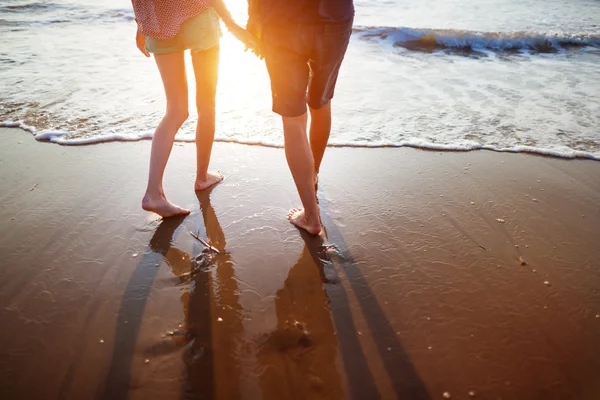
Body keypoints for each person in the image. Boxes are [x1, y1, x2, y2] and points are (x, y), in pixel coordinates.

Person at [133, 0, 257, 217]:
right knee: (206, 104)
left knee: (175, 110)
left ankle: (153, 193)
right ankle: (201, 177)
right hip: (197, 17)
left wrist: (140, 24)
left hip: (157, 24)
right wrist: (231, 23)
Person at [247, 0, 354, 235]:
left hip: (280, 19)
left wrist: (253, 17)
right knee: (321, 102)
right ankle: (313, 175)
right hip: (334, 16)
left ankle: (311, 216)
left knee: (293, 119)